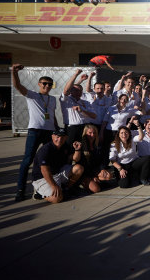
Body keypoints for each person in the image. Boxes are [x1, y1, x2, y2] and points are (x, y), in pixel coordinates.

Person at [12, 64, 58, 201]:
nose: (47, 86)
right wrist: (14, 72)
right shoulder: (32, 95)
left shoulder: (53, 99)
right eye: (44, 83)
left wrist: (56, 129)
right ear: (39, 84)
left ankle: (43, 188)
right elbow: (18, 86)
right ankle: (20, 190)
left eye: (50, 84)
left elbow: (52, 115)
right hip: (35, 131)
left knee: (49, 161)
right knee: (28, 160)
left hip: (49, 132)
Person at [30, 128, 84, 203]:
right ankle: (38, 194)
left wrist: (77, 150)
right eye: (57, 137)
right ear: (52, 136)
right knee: (57, 199)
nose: (59, 139)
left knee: (79, 168)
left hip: (57, 173)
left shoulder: (65, 146)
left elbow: (75, 159)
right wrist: (53, 186)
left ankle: (65, 189)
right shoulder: (46, 149)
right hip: (42, 178)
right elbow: (44, 171)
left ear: (66, 138)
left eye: (62, 137)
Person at [109, 120, 150, 188]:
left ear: (129, 133)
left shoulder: (132, 140)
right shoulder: (114, 144)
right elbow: (112, 160)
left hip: (133, 163)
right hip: (122, 166)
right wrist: (120, 169)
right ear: (118, 135)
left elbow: (141, 137)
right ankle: (125, 176)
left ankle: (143, 178)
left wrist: (138, 125)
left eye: (126, 132)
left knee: (147, 158)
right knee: (124, 185)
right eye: (122, 133)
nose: (124, 135)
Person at [60, 70, 97, 144]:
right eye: (75, 90)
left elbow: (94, 116)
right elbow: (67, 89)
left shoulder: (85, 102)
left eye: (80, 91)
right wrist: (76, 74)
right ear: (71, 91)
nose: (78, 92)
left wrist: (82, 111)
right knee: (70, 148)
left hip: (85, 128)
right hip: (72, 128)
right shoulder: (66, 100)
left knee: (84, 147)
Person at [79, 124, 112, 193]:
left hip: (95, 170)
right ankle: (88, 183)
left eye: (94, 133)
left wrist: (102, 169)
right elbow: (82, 164)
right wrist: (92, 177)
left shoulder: (98, 144)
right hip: (85, 173)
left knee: (108, 175)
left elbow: (104, 159)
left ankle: (97, 182)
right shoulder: (81, 146)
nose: (92, 135)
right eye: (90, 133)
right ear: (85, 133)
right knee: (96, 189)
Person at [133, 118, 150, 185]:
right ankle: (143, 179)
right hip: (141, 157)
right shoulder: (138, 132)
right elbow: (126, 130)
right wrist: (131, 122)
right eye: (148, 124)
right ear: (145, 124)